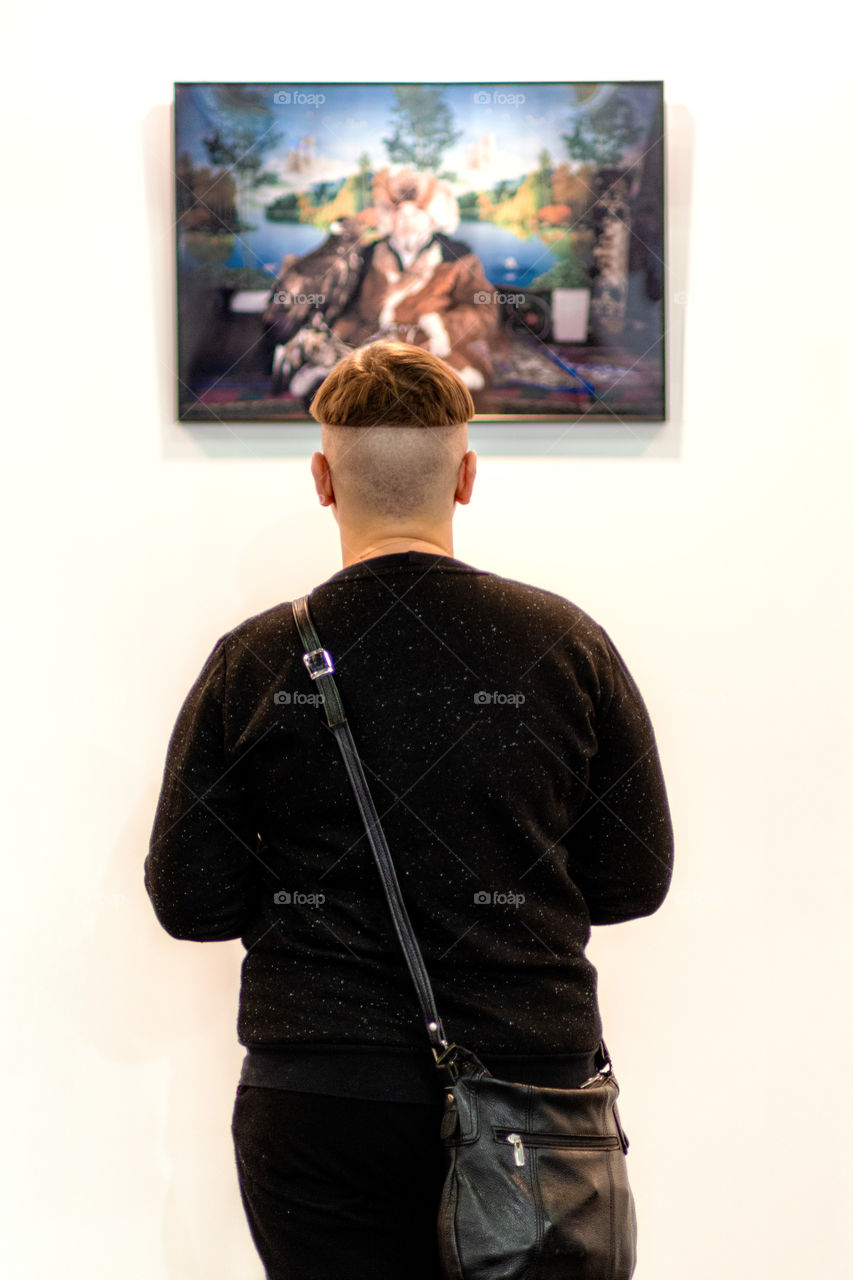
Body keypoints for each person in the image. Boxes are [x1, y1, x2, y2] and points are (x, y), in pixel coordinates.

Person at [145, 340, 674, 1280]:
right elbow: (632, 880)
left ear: (321, 479)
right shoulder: (564, 644)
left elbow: (191, 900)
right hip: (531, 1097)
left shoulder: (257, 659)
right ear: (467, 476)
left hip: (320, 1095)